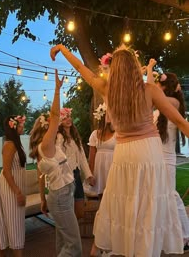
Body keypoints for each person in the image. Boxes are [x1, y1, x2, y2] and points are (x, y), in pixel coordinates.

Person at [50, 43, 189, 257]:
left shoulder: (106, 89)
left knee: (121, 201)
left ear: (114, 69)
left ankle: (103, 247)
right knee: (146, 207)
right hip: (149, 153)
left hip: (124, 153)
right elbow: (180, 121)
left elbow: (80, 67)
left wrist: (62, 48)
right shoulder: (149, 90)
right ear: (135, 67)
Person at [29, 70, 82, 257]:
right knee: (74, 245)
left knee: (63, 239)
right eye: (51, 125)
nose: (56, 125)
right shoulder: (47, 144)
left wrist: (43, 199)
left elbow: (41, 177)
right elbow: (54, 115)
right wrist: (57, 90)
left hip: (60, 193)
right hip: (60, 196)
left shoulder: (48, 146)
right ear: (47, 128)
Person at [147, 60, 189, 248]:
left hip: (167, 158)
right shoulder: (167, 103)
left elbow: (151, 95)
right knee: (162, 196)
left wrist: (149, 71)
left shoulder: (172, 102)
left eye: (159, 84)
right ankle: (169, 233)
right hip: (158, 156)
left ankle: (186, 234)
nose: (156, 87)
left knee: (171, 195)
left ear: (165, 86)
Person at [0, 115, 26, 257]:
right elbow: (6, 171)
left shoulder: (16, 144)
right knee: (14, 223)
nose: (23, 127)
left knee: (11, 221)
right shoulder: (9, 145)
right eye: (21, 125)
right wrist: (17, 191)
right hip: (10, 189)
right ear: (13, 128)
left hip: (15, 187)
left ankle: (2, 254)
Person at [56, 107, 95, 219]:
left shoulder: (75, 136)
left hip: (76, 174)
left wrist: (89, 175)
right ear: (60, 121)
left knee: (79, 209)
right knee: (68, 210)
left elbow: (82, 157)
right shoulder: (59, 137)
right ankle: (70, 234)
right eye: (64, 118)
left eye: (69, 116)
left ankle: (75, 232)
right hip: (65, 177)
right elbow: (57, 157)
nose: (68, 119)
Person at [84, 102, 116, 200]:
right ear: (102, 116)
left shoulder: (118, 133)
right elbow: (91, 157)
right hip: (99, 168)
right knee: (101, 195)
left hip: (112, 165)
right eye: (108, 113)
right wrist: (90, 174)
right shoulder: (94, 134)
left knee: (113, 195)